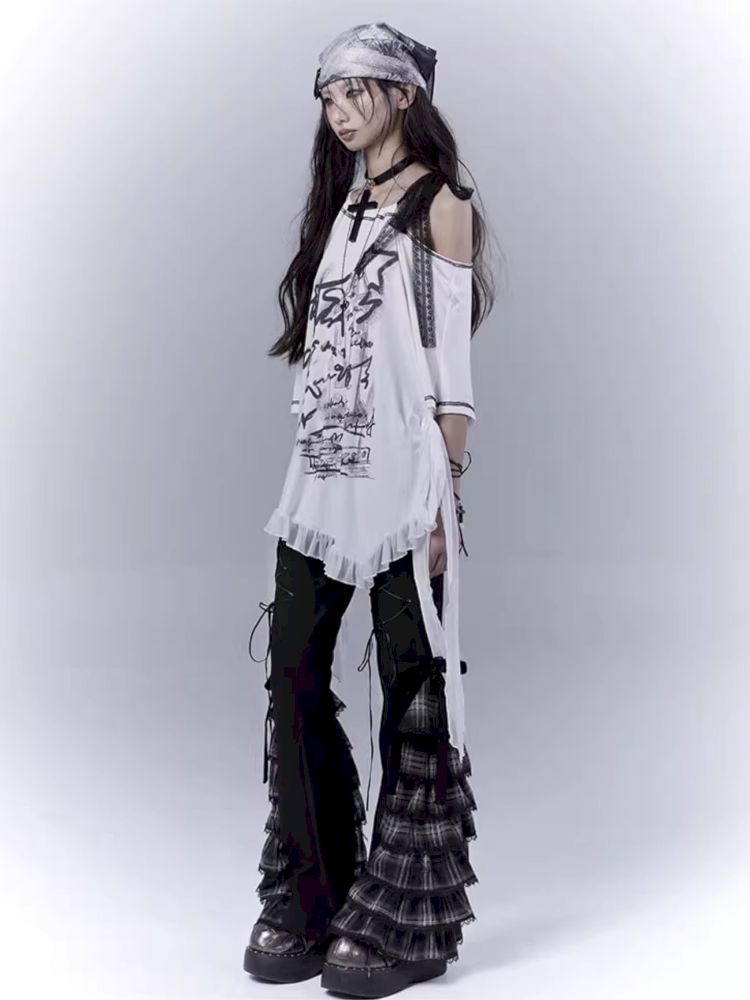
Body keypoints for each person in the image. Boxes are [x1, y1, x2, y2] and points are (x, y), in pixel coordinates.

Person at [242, 21, 495, 997]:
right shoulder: (345, 203)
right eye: (329, 96)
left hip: (404, 477)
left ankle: (405, 916)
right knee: (294, 672)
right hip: (322, 474)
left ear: (402, 95)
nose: (339, 112)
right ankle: (314, 889)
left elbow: (451, 377)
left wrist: (442, 502)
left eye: (355, 92)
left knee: (411, 686)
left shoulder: (442, 205)